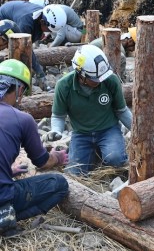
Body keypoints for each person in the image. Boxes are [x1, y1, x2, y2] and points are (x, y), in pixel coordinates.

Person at [0, 59, 69, 237]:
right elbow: (42, 162)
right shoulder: (22, 119)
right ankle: (6, 217)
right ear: (20, 90)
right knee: (60, 184)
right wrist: (56, 157)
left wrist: (7, 170)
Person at [45, 44, 132, 176]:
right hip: (81, 134)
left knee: (116, 160)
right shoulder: (63, 86)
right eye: (95, 78)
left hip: (108, 130)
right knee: (75, 173)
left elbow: (122, 110)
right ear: (81, 75)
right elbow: (58, 115)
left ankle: (102, 153)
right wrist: (56, 130)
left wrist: (137, 130)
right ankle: (94, 155)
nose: (100, 80)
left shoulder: (111, 81)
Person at [0, 0, 48, 87]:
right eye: (5, 43)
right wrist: (39, 71)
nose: (4, 48)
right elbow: (26, 47)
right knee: (15, 44)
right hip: (4, 14)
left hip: (12, 14)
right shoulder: (25, 22)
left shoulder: (42, 15)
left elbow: (27, 46)